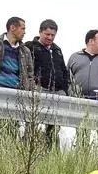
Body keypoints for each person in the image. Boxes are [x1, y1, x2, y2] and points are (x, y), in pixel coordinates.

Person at [26, 19, 69, 150]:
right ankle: (30, 147)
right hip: (40, 89)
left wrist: (65, 89)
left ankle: (50, 149)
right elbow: (26, 67)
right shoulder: (30, 46)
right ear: (40, 32)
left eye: (52, 35)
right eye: (47, 34)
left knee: (55, 124)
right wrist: (32, 84)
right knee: (34, 121)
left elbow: (63, 69)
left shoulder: (57, 50)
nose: (50, 37)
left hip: (58, 91)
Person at [0, 16, 35, 90]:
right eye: (22, 29)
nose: (24, 32)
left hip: (18, 93)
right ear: (12, 28)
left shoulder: (25, 51)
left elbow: (30, 74)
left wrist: (28, 91)